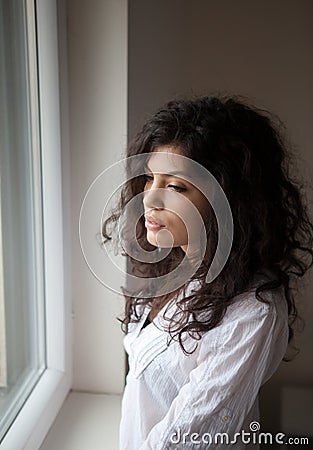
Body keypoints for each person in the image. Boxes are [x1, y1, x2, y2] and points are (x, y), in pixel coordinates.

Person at [102, 95, 313, 449]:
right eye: (150, 178)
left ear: (226, 200)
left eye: (175, 186)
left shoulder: (252, 313)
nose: (149, 199)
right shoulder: (172, 263)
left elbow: (186, 440)